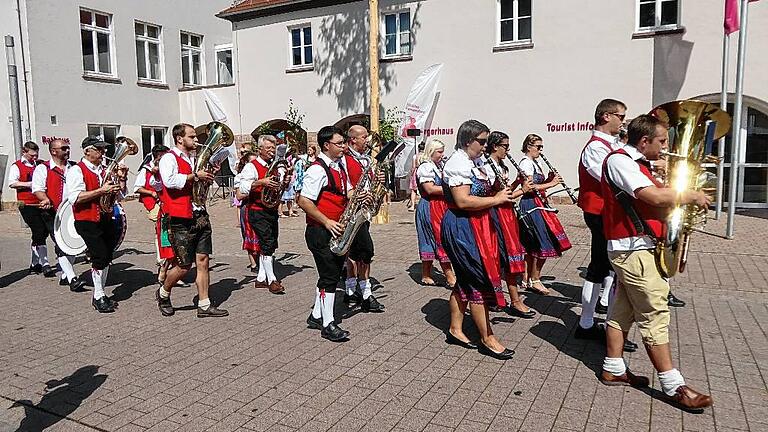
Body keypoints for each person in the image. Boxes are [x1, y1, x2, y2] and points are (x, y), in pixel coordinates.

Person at [599, 114, 712, 411]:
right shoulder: (620, 161)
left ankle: (613, 367)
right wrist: (688, 194)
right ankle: (674, 385)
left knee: (622, 310)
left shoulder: (636, 163)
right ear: (644, 140)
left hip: (637, 247)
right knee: (655, 313)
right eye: (662, 141)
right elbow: (650, 196)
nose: (666, 146)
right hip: (633, 248)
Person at [440, 120, 515, 360]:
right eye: (481, 142)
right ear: (467, 141)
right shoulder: (458, 163)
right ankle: (487, 338)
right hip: (463, 225)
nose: (485, 146)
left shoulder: (476, 161)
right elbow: (463, 201)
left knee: (465, 279)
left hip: (478, 225)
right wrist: (497, 200)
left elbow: (489, 191)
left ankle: (455, 329)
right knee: (477, 279)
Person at [155, 123, 228, 318]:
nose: (196, 140)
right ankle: (163, 293)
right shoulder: (168, 158)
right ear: (180, 138)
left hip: (200, 213)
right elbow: (169, 181)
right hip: (180, 216)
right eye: (192, 137)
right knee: (183, 266)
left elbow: (196, 183)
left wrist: (206, 177)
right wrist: (195, 175)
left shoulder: (193, 159)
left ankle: (204, 304)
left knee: (203, 260)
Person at [297, 126, 353, 341]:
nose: (343, 147)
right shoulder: (317, 170)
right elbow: (303, 201)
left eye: (344, 142)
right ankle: (328, 324)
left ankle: (316, 315)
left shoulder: (338, 166)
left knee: (330, 274)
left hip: (335, 229)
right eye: (339, 143)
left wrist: (360, 195)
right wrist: (327, 221)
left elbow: (346, 191)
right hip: (320, 231)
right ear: (326, 145)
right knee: (330, 276)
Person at [65, 136, 124, 313]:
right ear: (87, 151)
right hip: (86, 220)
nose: (103, 153)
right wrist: (101, 190)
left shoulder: (104, 170)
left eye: (104, 149)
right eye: (99, 149)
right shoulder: (77, 170)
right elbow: (74, 198)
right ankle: (98, 296)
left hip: (105, 218)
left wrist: (121, 180)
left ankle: (102, 293)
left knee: (106, 256)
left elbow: (120, 196)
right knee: (99, 256)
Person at [483, 131, 536, 318]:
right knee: (502, 257)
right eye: (505, 146)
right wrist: (522, 190)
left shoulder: (500, 165)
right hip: (495, 214)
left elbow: (506, 191)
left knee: (509, 256)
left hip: (506, 214)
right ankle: (511, 300)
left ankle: (501, 298)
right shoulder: (487, 167)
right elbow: (496, 196)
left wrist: (517, 183)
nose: (508, 150)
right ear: (495, 146)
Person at [517, 134, 572, 295]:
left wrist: (548, 178)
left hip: (539, 203)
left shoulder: (535, 162)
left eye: (541, 147)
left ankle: (528, 278)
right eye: (538, 147)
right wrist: (553, 183)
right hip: (531, 204)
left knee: (533, 243)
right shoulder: (526, 163)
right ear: (529, 146)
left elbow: (539, 184)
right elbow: (531, 187)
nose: (540, 150)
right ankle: (535, 279)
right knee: (543, 240)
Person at [31, 139, 85, 291]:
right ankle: (73, 279)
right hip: (53, 212)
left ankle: (64, 275)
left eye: (68, 148)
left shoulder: (75, 167)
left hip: (73, 211)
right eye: (63, 148)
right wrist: (45, 199)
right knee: (61, 244)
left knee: (72, 244)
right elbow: (37, 189)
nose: (67, 151)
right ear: (53, 151)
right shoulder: (43, 168)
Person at [341, 125, 385, 313]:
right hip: (350, 211)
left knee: (357, 253)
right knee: (363, 251)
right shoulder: (344, 158)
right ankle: (365, 294)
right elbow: (343, 184)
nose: (368, 140)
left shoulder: (366, 158)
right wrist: (357, 196)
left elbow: (368, 181)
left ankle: (351, 291)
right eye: (364, 137)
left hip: (364, 211)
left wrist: (379, 180)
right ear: (353, 140)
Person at [238, 135, 285, 294]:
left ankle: (260, 279)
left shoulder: (274, 166)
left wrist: (285, 180)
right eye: (269, 148)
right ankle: (272, 280)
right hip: (257, 210)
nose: (272, 152)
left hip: (271, 209)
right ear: (260, 149)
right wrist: (261, 182)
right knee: (267, 242)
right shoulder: (251, 166)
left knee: (271, 242)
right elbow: (242, 186)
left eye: (273, 148)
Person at [414, 139, 456, 289]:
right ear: (431, 151)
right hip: (430, 205)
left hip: (440, 205)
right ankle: (449, 276)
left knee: (431, 238)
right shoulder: (425, 167)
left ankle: (426, 275)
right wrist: (453, 189)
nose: (442, 155)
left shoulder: (438, 166)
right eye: (439, 151)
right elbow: (430, 189)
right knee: (438, 238)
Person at [8, 141, 54, 276]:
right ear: (24, 152)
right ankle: (45, 263)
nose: (34, 158)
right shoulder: (17, 166)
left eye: (36, 155)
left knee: (43, 232)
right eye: (31, 155)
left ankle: (35, 263)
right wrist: (31, 184)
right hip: (27, 204)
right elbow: (12, 183)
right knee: (38, 229)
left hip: (42, 202)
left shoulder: (40, 164)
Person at [134, 145, 174, 284]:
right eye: (163, 156)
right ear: (157, 156)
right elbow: (137, 188)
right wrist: (151, 192)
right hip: (155, 204)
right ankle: (163, 264)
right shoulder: (146, 170)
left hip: (166, 203)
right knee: (163, 233)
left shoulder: (165, 168)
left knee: (169, 233)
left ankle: (167, 266)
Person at [233, 151, 260, 272]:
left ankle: (261, 260)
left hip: (259, 207)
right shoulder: (240, 177)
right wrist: (256, 187)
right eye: (252, 162)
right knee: (248, 234)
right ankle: (253, 263)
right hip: (247, 207)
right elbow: (238, 196)